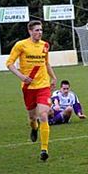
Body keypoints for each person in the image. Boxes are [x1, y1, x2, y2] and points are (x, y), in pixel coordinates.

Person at [6, 20, 57, 161]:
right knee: (32, 117)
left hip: (43, 86)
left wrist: (53, 77)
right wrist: (22, 76)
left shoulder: (45, 45)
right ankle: (34, 128)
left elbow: (46, 63)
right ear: (30, 31)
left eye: (41, 30)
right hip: (28, 88)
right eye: (36, 30)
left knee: (43, 115)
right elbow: (9, 64)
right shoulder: (21, 45)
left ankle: (44, 149)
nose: (39, 32)